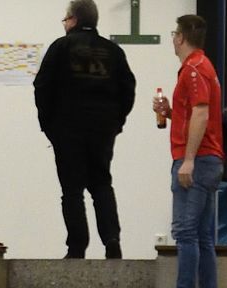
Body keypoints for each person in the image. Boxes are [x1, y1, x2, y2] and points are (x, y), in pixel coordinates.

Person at [34, 1, 137, 260]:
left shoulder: (61, 47)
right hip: (102, 130)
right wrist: (116, 122)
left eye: (66, 19)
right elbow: (128, 89)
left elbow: (42, 86)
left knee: (72, 190)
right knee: (101, 184)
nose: (65, 23)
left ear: (74, 20)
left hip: (67, 129)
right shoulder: (113, 51)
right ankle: (112, 240)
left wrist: (48, 125)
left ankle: (77, 247)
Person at [152, 14, 224, 288]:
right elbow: (194, 113)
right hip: (209, 159)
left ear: (180, 37)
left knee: (185, 232)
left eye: (174, 34)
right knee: (203, 235)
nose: (173, 39)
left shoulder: (193, 70)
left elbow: (202, 114)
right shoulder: (203, 67)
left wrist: (188, 160)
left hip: (197, 160)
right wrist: (171, 112)